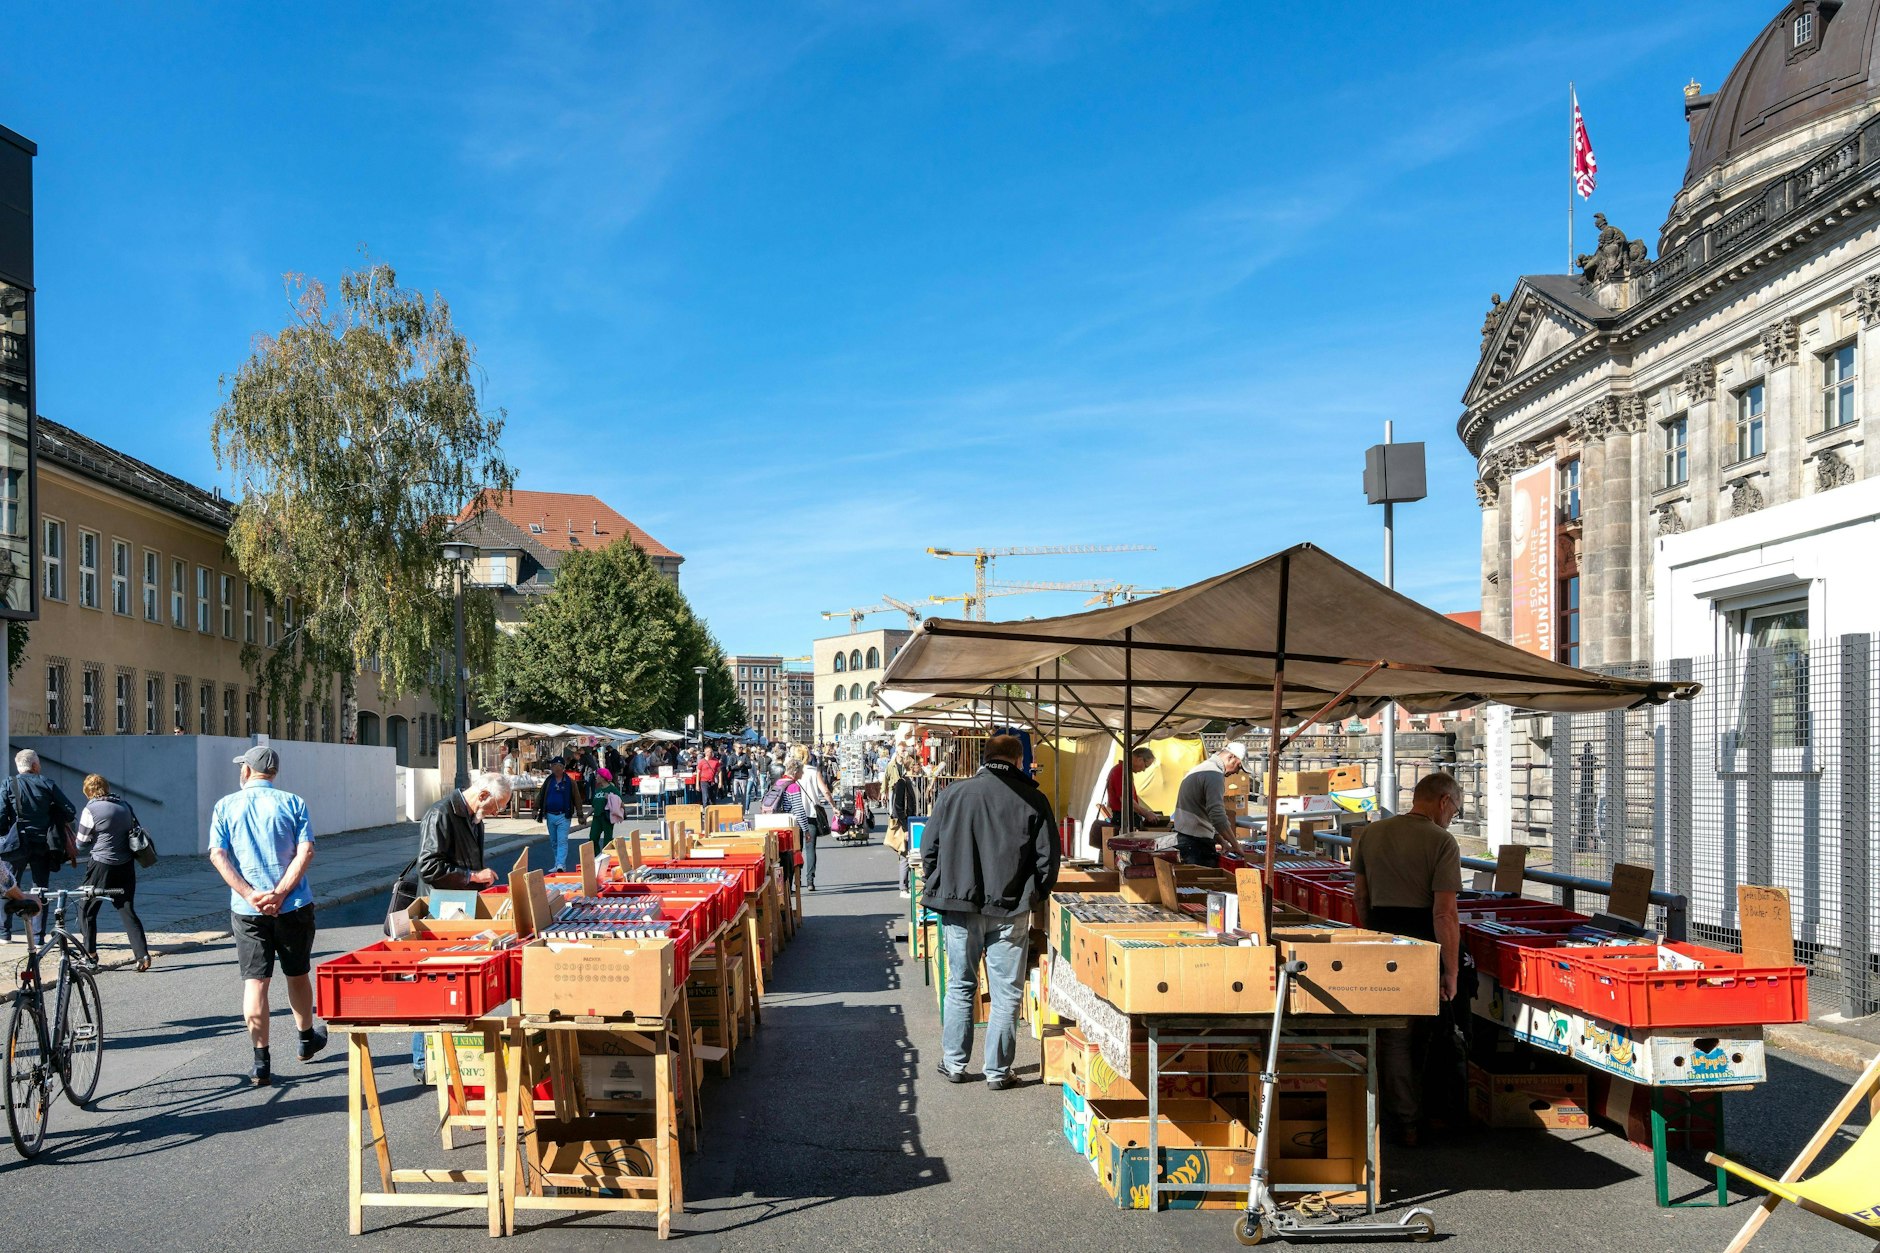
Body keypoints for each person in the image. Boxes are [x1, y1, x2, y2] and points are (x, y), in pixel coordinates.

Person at [921, 735, 1058, 1089]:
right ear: (1018, 760)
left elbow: (929, 848)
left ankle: (954, 1063)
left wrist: (941, 882)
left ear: (986, 757)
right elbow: (1048, 860)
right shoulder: (1033, 798)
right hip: (1011, 906)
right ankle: (997, 1071)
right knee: (1006, 992)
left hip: (959, 904)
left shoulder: (953, 794)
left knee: (960, 985)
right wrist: (1035, 894)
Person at [1351, 771, 1467, 1146]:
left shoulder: (1371, 834)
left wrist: (1374, 933)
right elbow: (1445, 914)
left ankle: (1402, 1121)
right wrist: (1451, 972)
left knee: (1393, 1034)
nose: (1452, 817)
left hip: (1382, 939)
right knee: (1431, 1032)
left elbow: (1360, 897)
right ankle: (1433, 1115)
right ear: (1444, 801)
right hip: (1423, 942)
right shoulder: (1442, 841)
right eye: (1455, 810)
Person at [206, 745, 325, 1087]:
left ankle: (261, 1063)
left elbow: (218, 855)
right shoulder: (293, 802)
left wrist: (249, 894)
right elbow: (306, 851)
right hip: (293, 904)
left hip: (248, 910)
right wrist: (281, 892)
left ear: (246, 771)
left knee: (255, 983)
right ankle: (305, 1039)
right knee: (297, 973)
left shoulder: (226, 805)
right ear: (273, 773)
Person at [408, 772, 512, 1081]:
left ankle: (451, 1055)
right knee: (432, 984)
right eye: (497, 807)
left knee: (454, 984)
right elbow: (428, 866)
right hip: (439, 913)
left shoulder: (474, 817)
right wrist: (472, 876)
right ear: (482, 795)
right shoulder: (441, 813)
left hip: (461, 910)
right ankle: (423, 1060)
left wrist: (479, 882)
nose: (496, 813)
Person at [0, 749, 78, 945]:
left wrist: (7, 833)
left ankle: (4, 934)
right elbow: (70, 811)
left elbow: (0, 815)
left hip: (16, 842)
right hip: (42, 843)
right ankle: (37, 937)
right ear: (34, 766)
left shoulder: (9, 784)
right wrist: (51, 814)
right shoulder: (46, 783)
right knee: (40, 888)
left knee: (8, 884)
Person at [75, 773, 152, 972]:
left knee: (86, 909)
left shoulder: (91, 809)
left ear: (88, 791)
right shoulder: (125, 806)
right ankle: (142, 955)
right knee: (126, 908)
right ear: (106, 788)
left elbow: (81, 843)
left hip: (101, 864)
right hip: (125, 864)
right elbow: (134, 831)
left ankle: (90, 956)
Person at [1169, 741, 1246, 866]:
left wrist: (1222, 841)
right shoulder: (1214, 774)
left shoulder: (1203, 768)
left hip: (1186, 837)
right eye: (1239, 766)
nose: (1237, 772)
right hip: (1196, 844)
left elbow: (1203, 813)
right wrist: (1236, 845)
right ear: (1231, 757)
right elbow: (1217, 815)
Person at [791, 746, 836, 890]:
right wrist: (833, 806)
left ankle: (796, 880)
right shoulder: (813, 771)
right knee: (810, 848)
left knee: (796, 849)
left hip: (794, 815)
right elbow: (825, 791)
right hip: (811, 813)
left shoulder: (791, 772)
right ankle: (810, 880)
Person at [532, 757, 584, 874]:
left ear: (562, 767)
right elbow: (541, 795)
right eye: (553, 765)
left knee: (562, 840)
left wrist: (580, 815)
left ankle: (561, 864)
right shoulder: (548, 781)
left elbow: (577, 798)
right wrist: (535, 809)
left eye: (556, 765)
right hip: (550, 815)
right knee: (554, 841)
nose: (554, 768)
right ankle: (557, 863)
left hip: (563, 816)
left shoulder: (570, 782)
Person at [1105, 746, 1164, 830]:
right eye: (1145, 766)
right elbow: (1126, 800)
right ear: (1140, 759)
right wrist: (1146, 813)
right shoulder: (1120, 771)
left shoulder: (1123, 771)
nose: (1144, 770)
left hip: (1125, 817)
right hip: (1122, 819)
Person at [587, 768, 624, 855]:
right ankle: (597, 857)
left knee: (607, 839)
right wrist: (586, 816)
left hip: (607, 817)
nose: (596, 777)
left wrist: (611, 797)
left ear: (603, 777)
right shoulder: (598, 789)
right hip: (597, 817)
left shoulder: (612, 789)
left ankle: (606, 856)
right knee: (592, 838)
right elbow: (593, 806)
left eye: (597, 775)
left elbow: (621, 803)